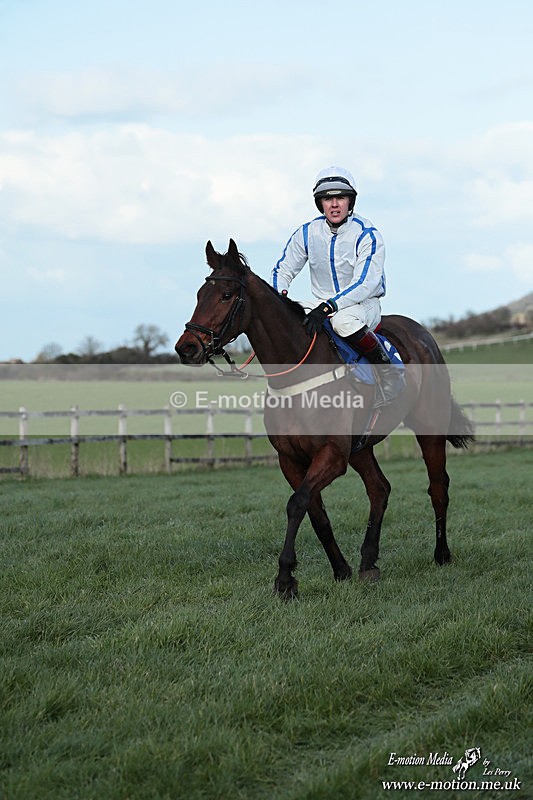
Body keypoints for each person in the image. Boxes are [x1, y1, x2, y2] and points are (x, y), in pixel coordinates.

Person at [271, 165, 405, 406]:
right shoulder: (306, 233)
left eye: (340, 197)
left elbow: (365, 283)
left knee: (342, 321)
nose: (334, 204)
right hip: (322, 303)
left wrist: (328, 307)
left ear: (350, 201)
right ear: (319, 203)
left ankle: (389, 374)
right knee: (284, 316)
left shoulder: (368, 235)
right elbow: (284, 269)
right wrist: (279, 298)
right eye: (327, 198)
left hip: (362, 305)